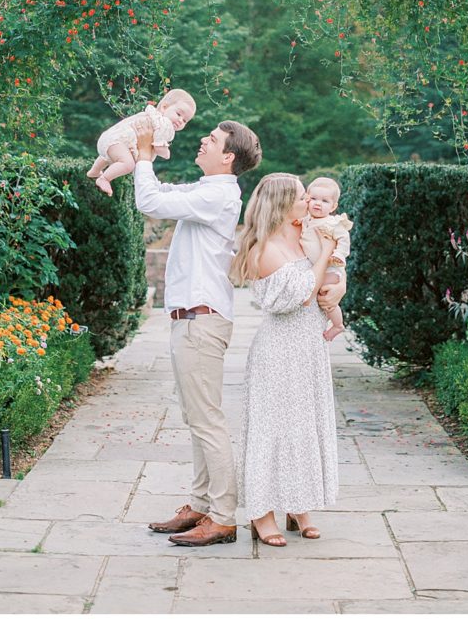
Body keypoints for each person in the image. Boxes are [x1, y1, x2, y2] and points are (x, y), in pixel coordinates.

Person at [134, 115, 262, 547]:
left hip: (200, 321)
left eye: (211, 140)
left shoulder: (219, 194)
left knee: (207, 421)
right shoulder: (207, 191)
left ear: (228, 156)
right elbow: (164, 195)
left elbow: (150, 202)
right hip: (191, 319)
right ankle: (200, 504)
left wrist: (146, 156)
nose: (202, 142)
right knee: (197, 418)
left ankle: (223, 517)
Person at [235, 173, 342, 547]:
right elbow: (301, 295)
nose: (309, 201)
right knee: (271, 430)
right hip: (279, 352)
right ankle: (261, 513)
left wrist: (339, 280)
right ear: (281, 205)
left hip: (309, 348)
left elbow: (335, 275)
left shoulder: (306, 234)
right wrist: (327, 254)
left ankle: (299, 506)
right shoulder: (264, 250)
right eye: (301, 197)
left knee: (303, 427)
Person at [87, 88, 196, 196]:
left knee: (109, 157)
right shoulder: (163, 125)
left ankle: (95, 170)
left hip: (109, 139)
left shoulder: (149, 114)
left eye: (185, 120)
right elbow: (159, 148)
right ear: (164, 107)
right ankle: (104, 179)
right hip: (117, 142)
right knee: (128, 164)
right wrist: (166, 153)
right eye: (178, 114)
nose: (181, 120)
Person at [300, 176, 353, 342]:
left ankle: (337, 324)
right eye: (314, 198)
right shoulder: (307, 220)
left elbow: (344, 240)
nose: (317, 203)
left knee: (325, 296)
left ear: (333, 206)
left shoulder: (332, 223)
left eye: (324, 201)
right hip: (318, 266)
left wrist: (338, 254)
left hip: (331, 267)